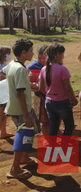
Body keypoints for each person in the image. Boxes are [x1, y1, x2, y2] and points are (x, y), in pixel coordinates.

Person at [2, 39, 38, 179]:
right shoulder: (20, 69)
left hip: (14, 107)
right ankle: (14, 169)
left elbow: (4, 74)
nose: (32, 53)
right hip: (21, 109)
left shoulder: (12, 65)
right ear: (23, 53)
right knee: (23, 136)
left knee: (28, 134)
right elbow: (20, 93)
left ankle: (23, 158)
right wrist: (26, 115)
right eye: (30, 51)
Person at [39, 43, 78, 136]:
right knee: (69, 125)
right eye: (62, 54)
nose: (63, 56)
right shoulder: (62, 69)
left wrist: (50, 94)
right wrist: (74, 99)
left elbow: (41, 88)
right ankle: (64, 147)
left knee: (53, 126)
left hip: (49, 101)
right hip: (62, 102)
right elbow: (68, 88)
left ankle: (51, 148)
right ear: (58, 54)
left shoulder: (44, 69)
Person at [27, 44, 50, 136]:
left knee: (54, 116)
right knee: (43, 117)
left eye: (44, 58)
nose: (42, 60)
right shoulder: (32, 66)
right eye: (40, 58)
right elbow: (25, 78)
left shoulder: (55, 63)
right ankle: (45, 136)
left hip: (52, 95)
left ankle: (54, 130)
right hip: (40, 95)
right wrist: (31, 84)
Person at [0, 46, 14, 141]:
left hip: (3, 94)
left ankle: (3, 133)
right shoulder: (3, 67)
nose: (9, 56)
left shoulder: (4, 66)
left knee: (3, 115)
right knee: (1, 117)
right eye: (8, 54)